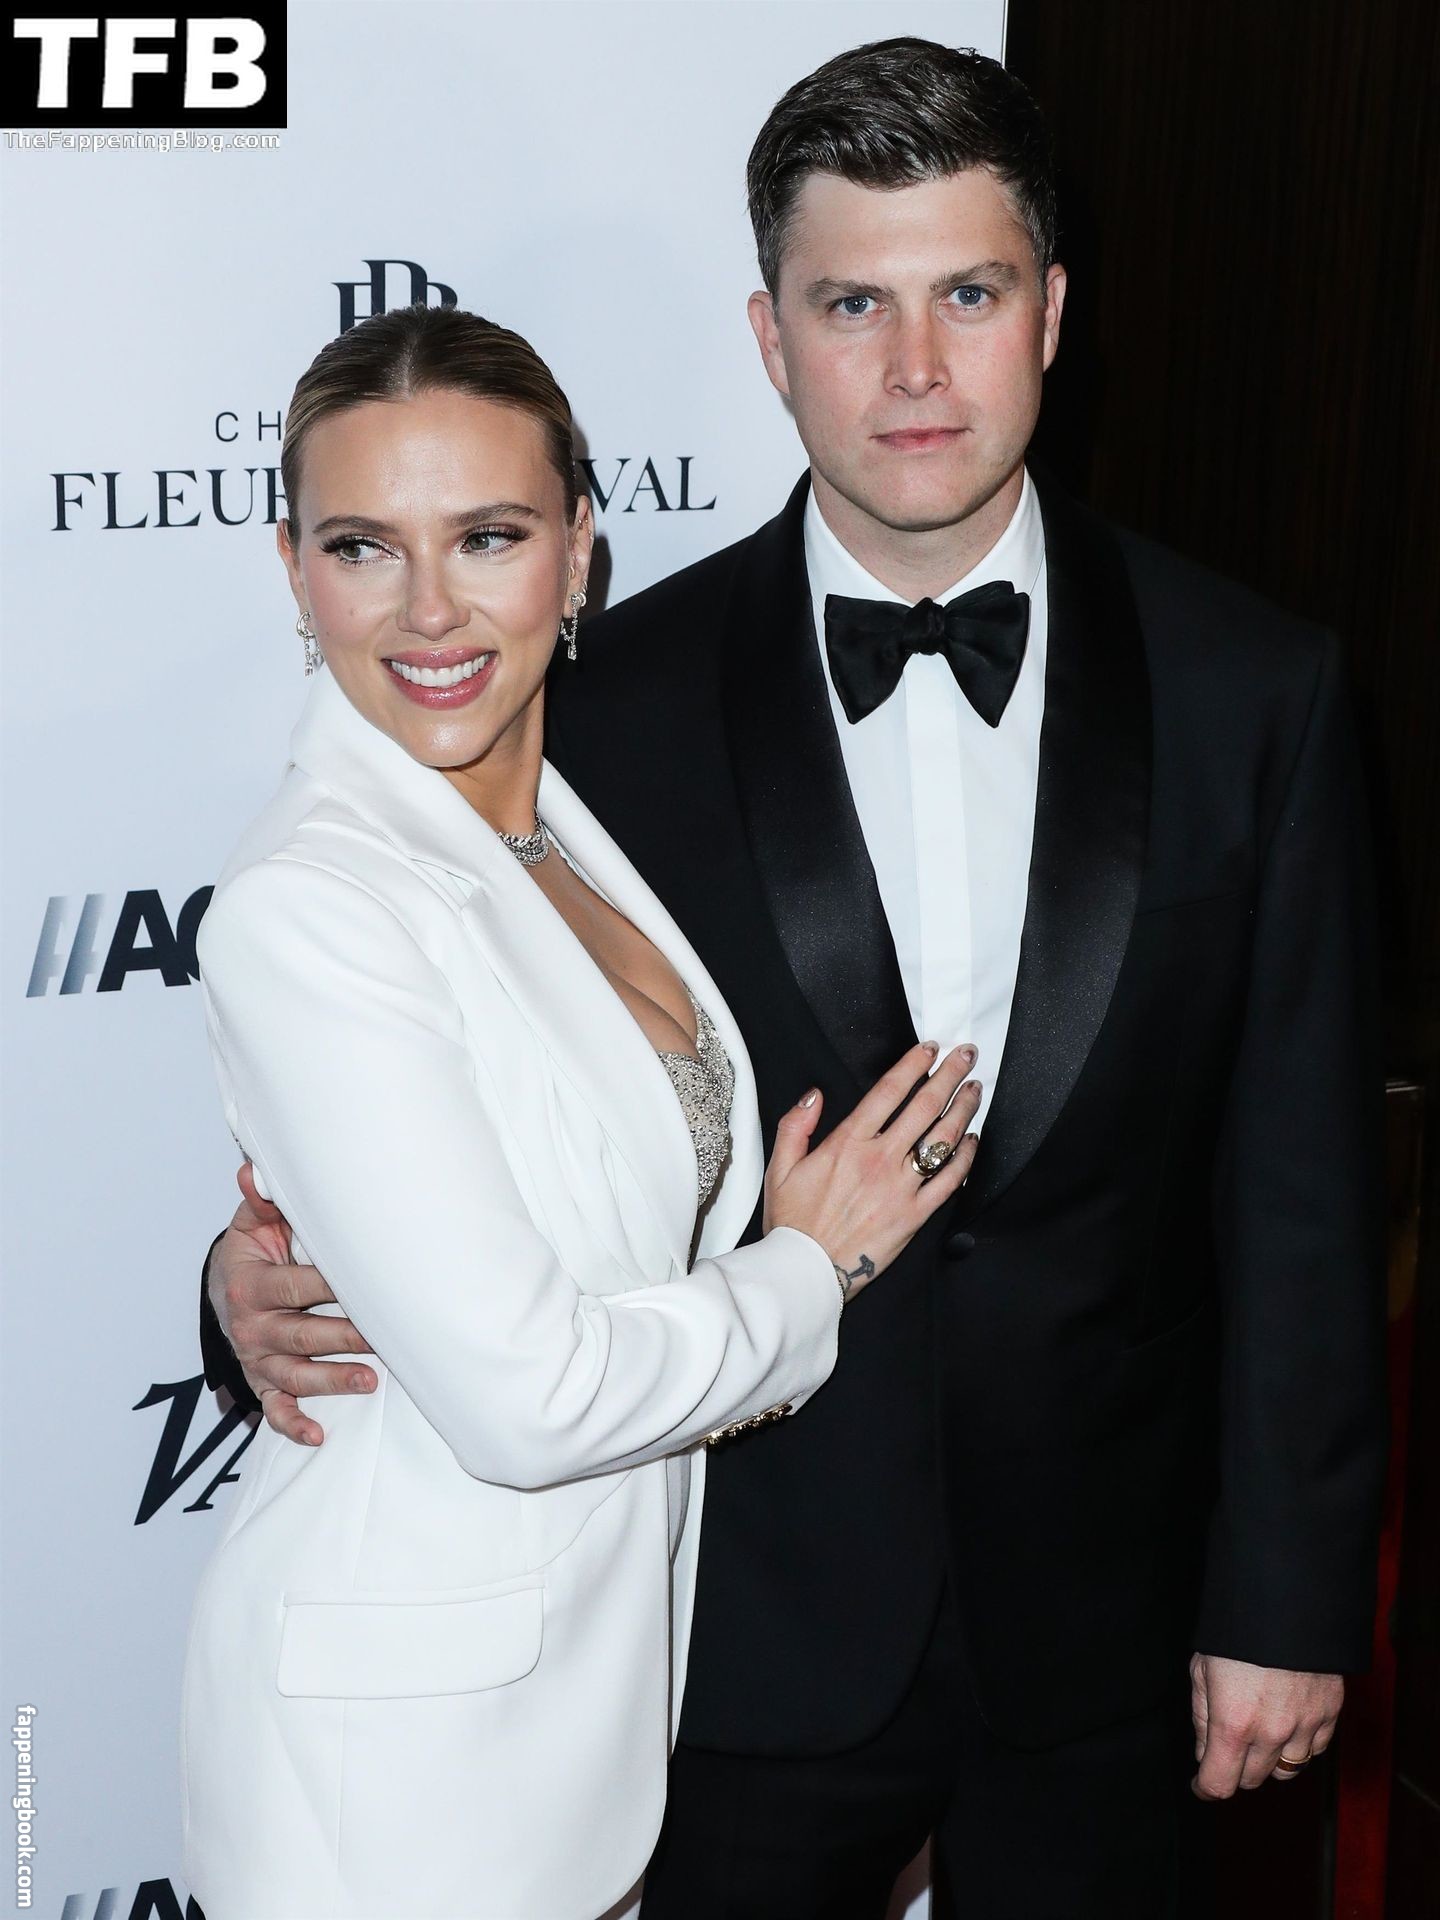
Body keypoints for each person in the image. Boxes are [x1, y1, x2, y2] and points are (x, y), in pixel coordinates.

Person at [200, 39, 1387, 1920]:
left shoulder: (1260, 691)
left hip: (1114, 1637)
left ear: (1051, 314)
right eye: (852, 306)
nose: (914, 371)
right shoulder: (585, 709)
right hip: (721, 1636)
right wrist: (245, 1288)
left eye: (967, 296)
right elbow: (418, 1081)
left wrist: (1289, 1595)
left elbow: (1304, 1190)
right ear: (769, 338)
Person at [180, 302, 986, 1920]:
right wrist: (808, 1266)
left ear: (579, 551)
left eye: (487, 536)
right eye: (362, 546)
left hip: (585, 1724)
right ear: (292, 573)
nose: (428, 608)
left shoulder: (560, 822)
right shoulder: (309, 902)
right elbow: (531, 1400)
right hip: (397, 1772)